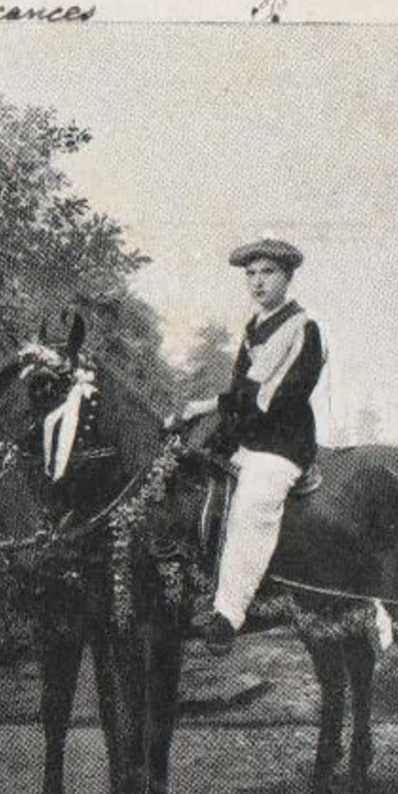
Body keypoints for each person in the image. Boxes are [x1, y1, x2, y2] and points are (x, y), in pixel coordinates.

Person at [168, 236, 325, 655]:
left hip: (281, 441)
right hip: (249, 436)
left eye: (267, 273)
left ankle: (230, 614)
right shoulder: (255, 326)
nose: (257, 282)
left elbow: (270, 397)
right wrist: (208, 423)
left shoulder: (302, 328)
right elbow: (241, 388)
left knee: (254, 504)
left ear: (288, 278)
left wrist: (209, 406)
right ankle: (198, 588)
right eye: (251, 274)